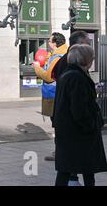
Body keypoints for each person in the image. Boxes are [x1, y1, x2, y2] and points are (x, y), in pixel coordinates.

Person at [53, 44, 107, 186]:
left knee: (66, 170)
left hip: (68, 133)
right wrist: (91, 125)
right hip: (79, 134)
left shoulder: (67, 75)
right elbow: (79, 109)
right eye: (92, 58)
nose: (93, 60)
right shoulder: (77, 78)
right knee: (87, 170)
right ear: (85, 60)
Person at [32, 32, 68, 162]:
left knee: (58, 125)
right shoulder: (62, 53)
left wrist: (37, 68)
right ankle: (61, 152)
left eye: (49, 41)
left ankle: (60, 153)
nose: (48, 43)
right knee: (60, 125)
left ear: (55, 43)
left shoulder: (57, 56)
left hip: (54, 94)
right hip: (58, 93)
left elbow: (48, 76)